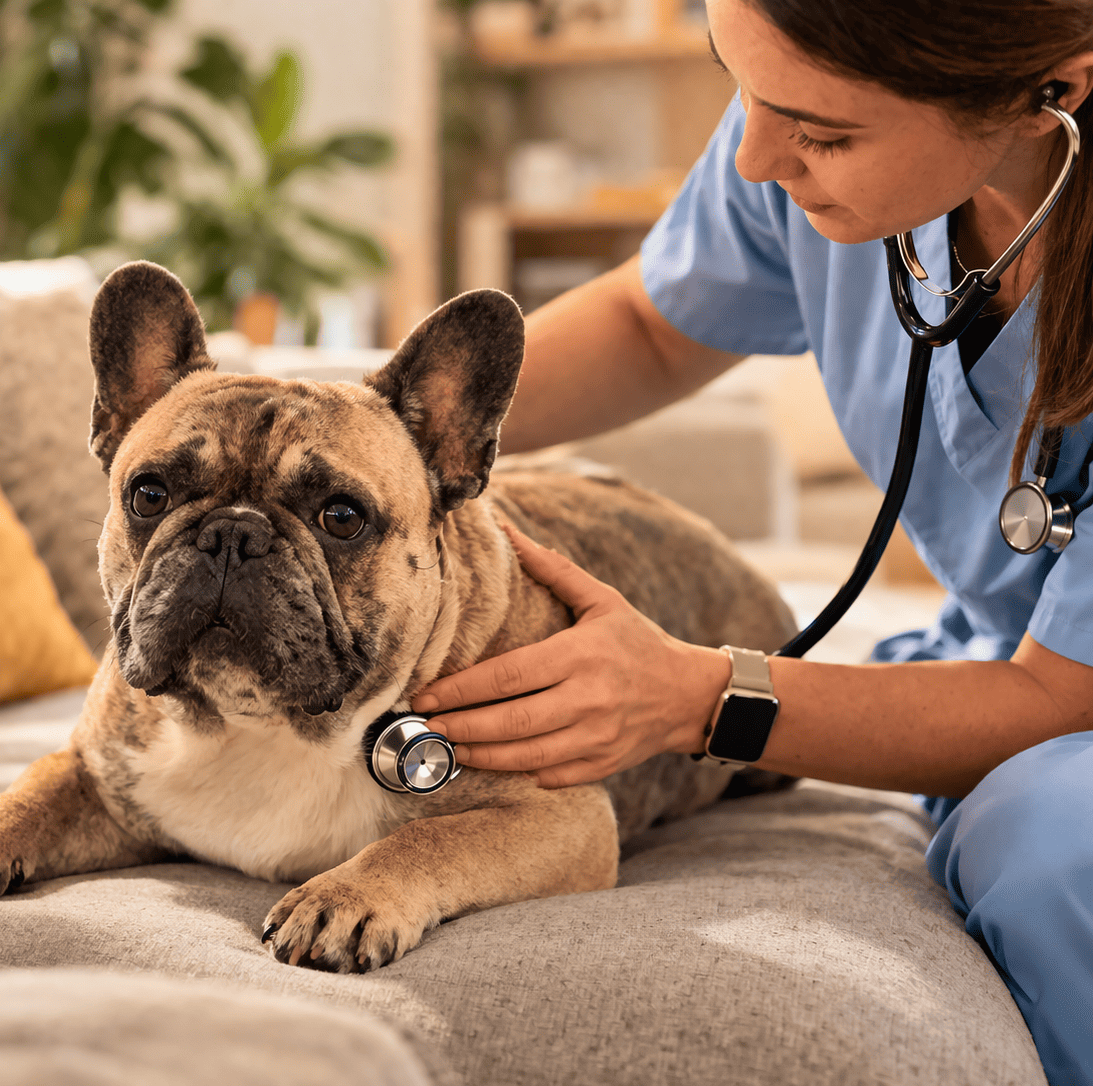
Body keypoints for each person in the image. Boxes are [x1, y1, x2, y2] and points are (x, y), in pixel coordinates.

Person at [409, 2, 1093, 1083]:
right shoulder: (789, 145)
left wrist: (696, 697)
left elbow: (1064, 700)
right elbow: (649, 323)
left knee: (1052, 845)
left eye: (822, 133)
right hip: (990, 671)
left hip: (1060, 724)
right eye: (739, 82)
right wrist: (375, 427)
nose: (755, 156)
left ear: (1050, 92)